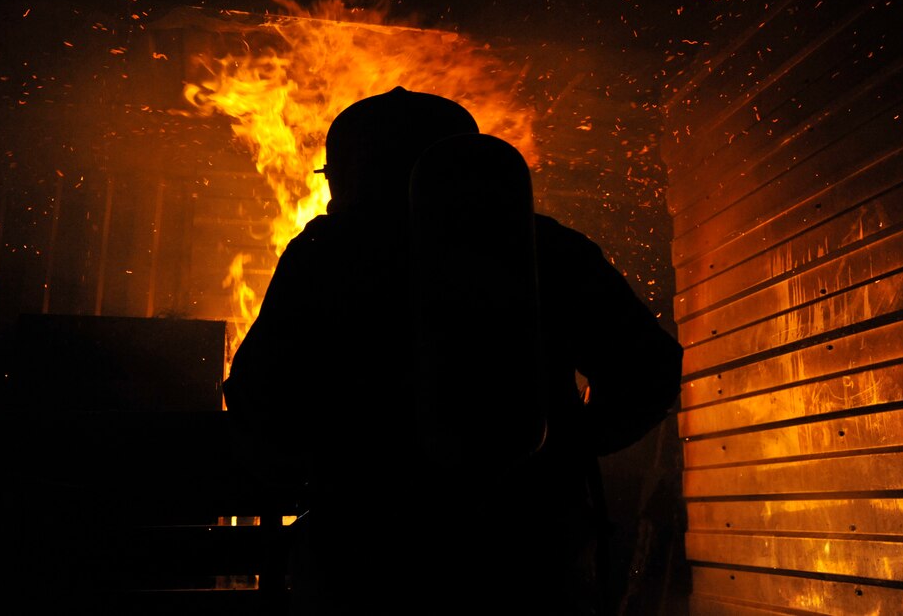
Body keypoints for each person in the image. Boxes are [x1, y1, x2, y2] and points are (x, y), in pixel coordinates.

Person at [224, 87, 682, 615]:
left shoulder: (326, 255)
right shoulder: (545, 247)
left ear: (348, 172)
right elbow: (646, 367)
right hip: (527, 555)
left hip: (367, 556)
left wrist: (310, 471)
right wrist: (567, 450)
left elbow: (260, 400)